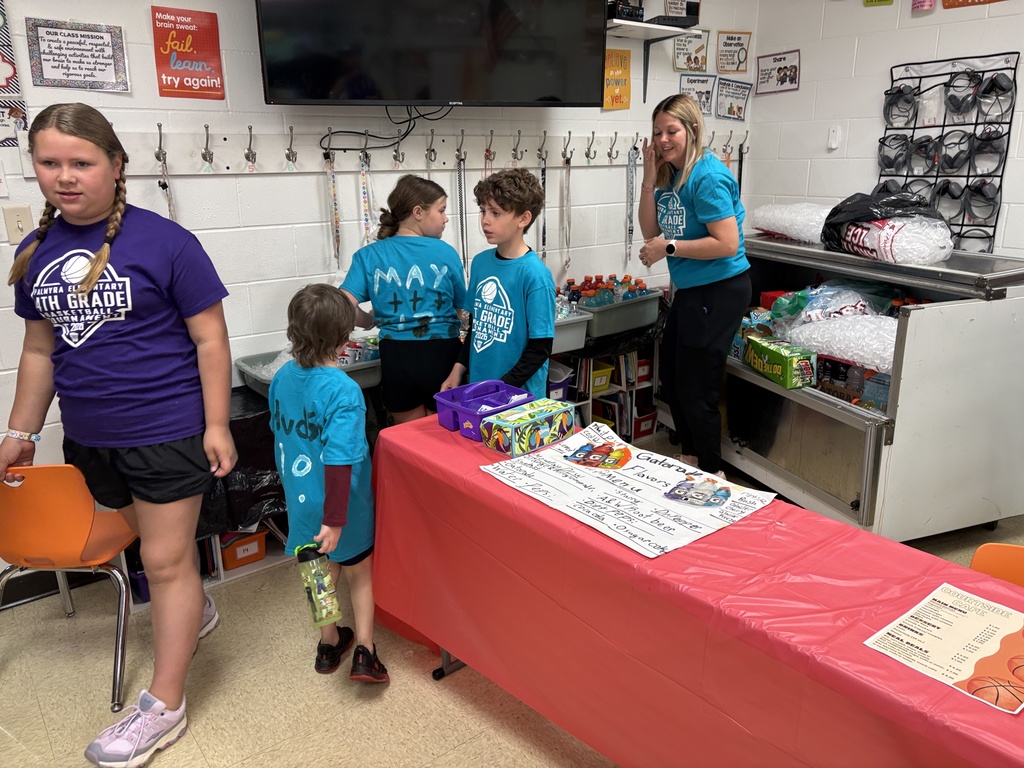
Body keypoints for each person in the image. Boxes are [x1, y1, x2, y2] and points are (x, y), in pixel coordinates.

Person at [0, 102, 236, 768]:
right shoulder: (34, 252)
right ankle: (191, 608)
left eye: (82, 162)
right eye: (50, 162)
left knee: (163, 561)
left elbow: (210, 339)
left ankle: (164, 706)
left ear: (115, 165)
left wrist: (217, 423)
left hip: (165, 430)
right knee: (153, 546)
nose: (64, 177)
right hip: (90, 438)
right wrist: (21, 429)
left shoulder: (167, 243)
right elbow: (40, 351)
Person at [269, 283, 388, 684]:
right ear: (343, 339)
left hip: (301, 501)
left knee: (317, 572)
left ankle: (328, 642)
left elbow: (280, 436)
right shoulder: (344, 391)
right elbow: (340, 460)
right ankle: (365, 652)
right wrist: (336, 520)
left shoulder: (281, 379)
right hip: (344, 506)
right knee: (359, 573)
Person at [637, 93, 751, 478]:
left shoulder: (708, 177)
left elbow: (727, 243)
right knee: (672, 375)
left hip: (720, 289)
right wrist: (649, 181)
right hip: (693, 290)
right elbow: (649, 229)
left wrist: (669, 246)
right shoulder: (670, 173)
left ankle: (711, 472)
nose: (663, 139)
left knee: (696, 385)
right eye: (657, 132)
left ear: (693, 130)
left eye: (672, 130)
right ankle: (691, 461)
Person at [340, 174, 466, 423]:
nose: (445, 218)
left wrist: (367, 320)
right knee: (444, 438)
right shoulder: (445, 252)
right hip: (441, 355)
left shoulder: (368, 255)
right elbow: (460, 310)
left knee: (411, 443)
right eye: (441, 210)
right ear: (418, 212)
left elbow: (342, 305)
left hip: (396, 357)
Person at [441, 168, 553, 399]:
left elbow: (539, 349)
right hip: (480, 389)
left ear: (523, 218)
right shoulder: (481, 264)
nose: (485, 220)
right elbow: (475, 328)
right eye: (483, 211)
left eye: (496, 213)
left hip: (519, 397)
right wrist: (458, 370)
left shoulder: (535, 275)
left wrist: (503, 388)